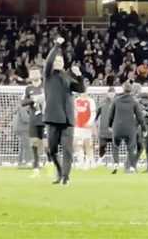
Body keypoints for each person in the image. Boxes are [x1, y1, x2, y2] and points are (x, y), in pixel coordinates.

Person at [43, 37, 85, 185]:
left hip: (67, 119)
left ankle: (66, 177)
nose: (58, 63)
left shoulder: (67, 76)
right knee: (52, 150)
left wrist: (79, 76)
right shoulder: (48, 75)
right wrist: (56, 45)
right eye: (57, 61)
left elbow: (81, 89)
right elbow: (48, 61)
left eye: (60, 61)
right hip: (53, 118)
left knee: (67, 150)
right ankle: (60, 172)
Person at [108, 81, 146, 174]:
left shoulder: (116, 100)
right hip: (130, 128)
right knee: (131, 148)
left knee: (115, 146)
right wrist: (144, 129)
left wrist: (109, 125)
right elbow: (140, 117)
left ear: (122, 88)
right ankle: (132, 167)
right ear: (131, 90)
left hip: (118, 127)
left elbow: (110, 114)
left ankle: (116, 163)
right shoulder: (134, 101)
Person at [21, 67, 48, 177]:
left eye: (36, 73)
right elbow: (23, 102)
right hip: (33, 119)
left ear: (40, 74)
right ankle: (36, 167)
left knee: (47, 144)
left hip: (46, 118)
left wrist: (42, 98)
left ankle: (50, 163)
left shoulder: (46, 86)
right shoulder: (28, 89)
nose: (34, 75)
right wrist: (33, 100)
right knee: (34, 142)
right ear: (30, 76)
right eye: (32, 73)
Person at [74, 91, 97, 169]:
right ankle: (81, 161)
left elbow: (93, 114)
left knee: (87, 144)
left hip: (87, 126)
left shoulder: (90, 101)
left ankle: (90, 161)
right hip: (77, 126)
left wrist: (90, 122)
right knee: (77, 144)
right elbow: (74, 112)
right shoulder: (76, 100)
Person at [95, 86, 116, 165]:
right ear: (107, 93)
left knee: (115, 147)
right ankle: (100, 160)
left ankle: (115, 162)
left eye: (113, 92)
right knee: (102, 146)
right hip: (103, 129)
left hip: (114, 129)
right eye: (110, 92)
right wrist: (94, 121)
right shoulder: (102, 102)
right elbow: (96, 115)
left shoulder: (117, 102)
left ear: (115, 93)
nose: (111, 94)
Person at [12, 103, 33, 169]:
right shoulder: (22, 108)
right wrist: (33, 118)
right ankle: (28, 161)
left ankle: (20, 161)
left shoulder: (19, 108)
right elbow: (25, 119)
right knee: (27, 146)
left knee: (22, 146)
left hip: (19, 129)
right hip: (23, 129)